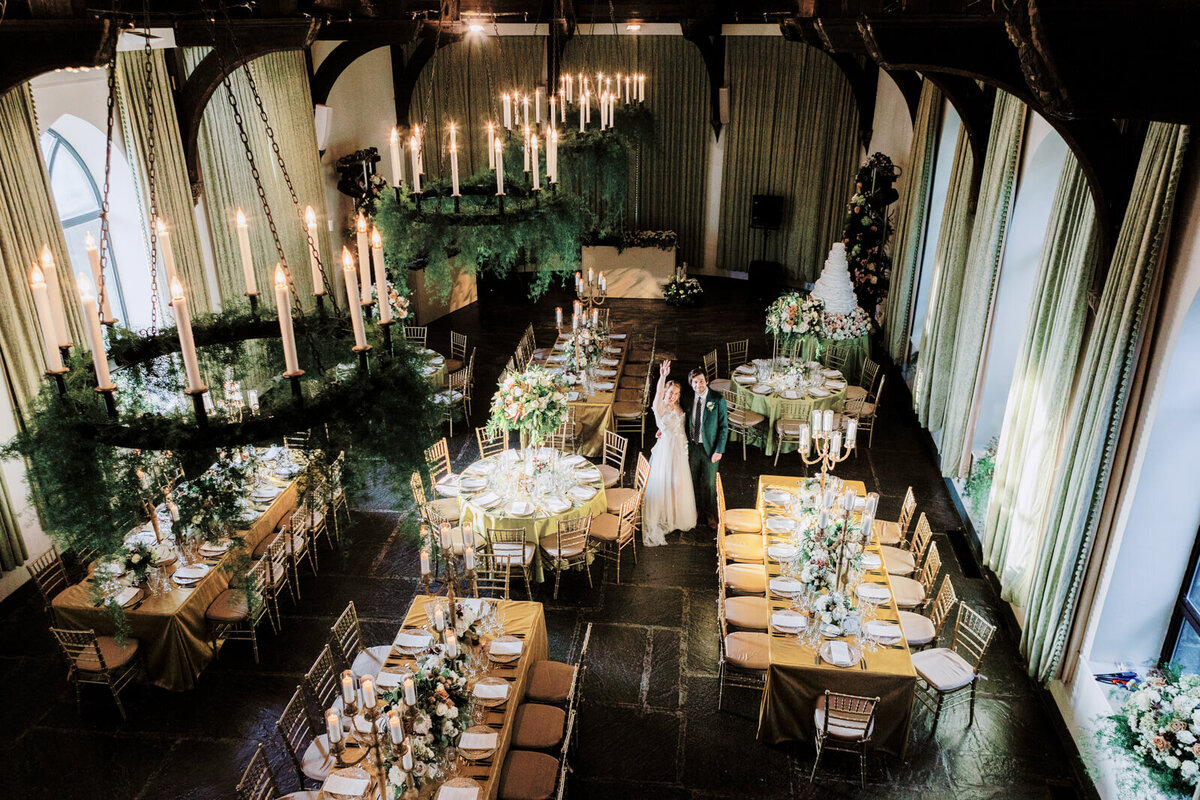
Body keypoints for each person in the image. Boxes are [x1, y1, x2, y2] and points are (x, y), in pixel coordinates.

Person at [642, 360, 697, 545]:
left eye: (676, 393)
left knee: (679, 486)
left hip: (680, 451)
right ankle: (665, 518)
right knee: (666, 484)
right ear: (665, 392)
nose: (673, 396)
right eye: (670, 392)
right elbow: (658, 393)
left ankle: (675, 517)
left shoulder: (678, 407)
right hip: (666, 452)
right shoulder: (660, 407)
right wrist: (663, 375)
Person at [687, 366, 728, 529]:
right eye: (695, 382)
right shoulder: (687, 399)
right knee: (693, 481)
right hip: (693, 447)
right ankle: (696, 511)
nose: (699, 385)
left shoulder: (717, 399)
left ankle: (710, 514)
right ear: (691, 384)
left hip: (711, 449)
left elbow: (724, 427)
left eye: (702, 381)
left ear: (707, 381)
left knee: (710, 483)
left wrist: (719, 449)